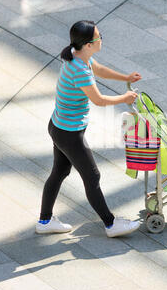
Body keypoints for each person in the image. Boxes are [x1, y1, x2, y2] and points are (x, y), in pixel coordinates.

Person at [36, 20, 142, 237]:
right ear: (88, 45)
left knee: (60, 171)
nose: (101, 38)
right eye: (98, 36)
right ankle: (111, 224)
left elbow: (100, 70)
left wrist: (125, 78)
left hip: (59, 126)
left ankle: (45, 221)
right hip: (69, 134)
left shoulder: (76, 55)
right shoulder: (79, 69)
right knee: (92, 176)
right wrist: (125, 97)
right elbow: (99, 100)